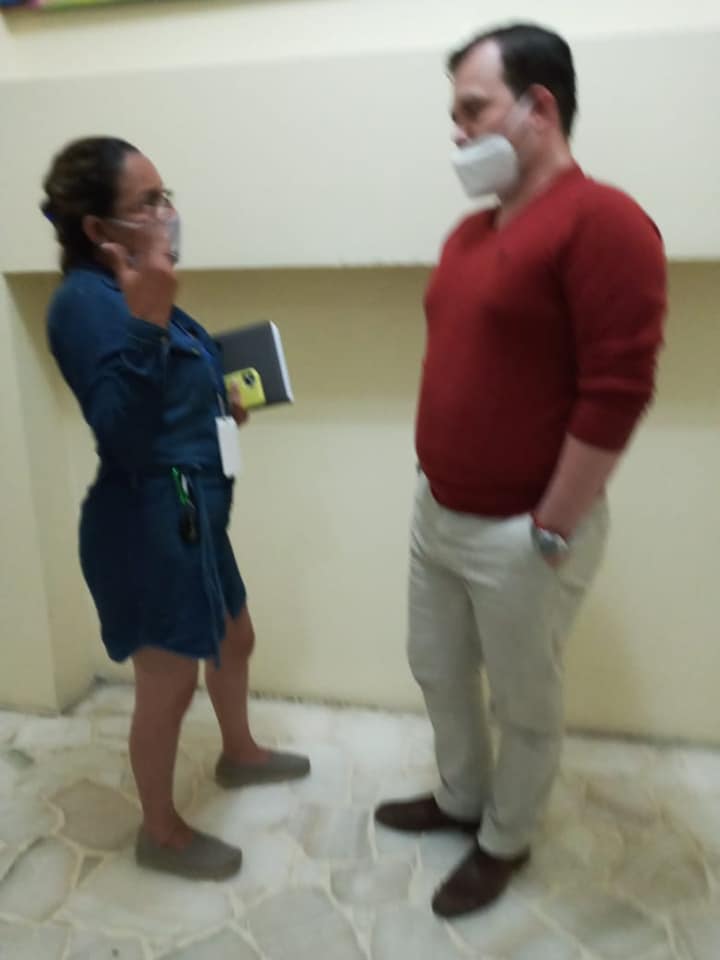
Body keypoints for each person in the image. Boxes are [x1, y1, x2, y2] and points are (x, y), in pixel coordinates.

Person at [375, 23, 666, 917]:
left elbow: (617, 391)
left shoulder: (605, 222)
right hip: (439, 512)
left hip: (523, 532)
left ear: (538, 107)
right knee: (436, 668)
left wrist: (551, 526)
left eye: (474, 109)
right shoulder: (470, 235)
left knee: (525, 703)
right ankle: (462, 798)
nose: (458, 130)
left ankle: (505, 837)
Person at [42, 137, 310, 881]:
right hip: (146, 523)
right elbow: (121, 430)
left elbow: (165, 385)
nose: (166, 212)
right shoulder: (82, 303)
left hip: (195, 511)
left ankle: (240, 752)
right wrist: (152, 314)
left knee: (235, 636)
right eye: (148, 202)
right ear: (98, 228)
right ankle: (158, 832)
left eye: (166, 196)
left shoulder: (134, 285)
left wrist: (217, 401)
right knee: (169, 682)